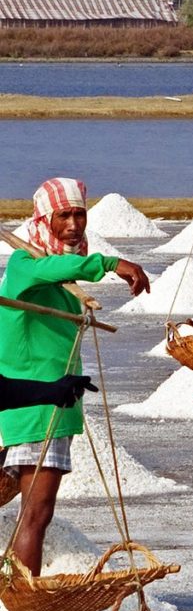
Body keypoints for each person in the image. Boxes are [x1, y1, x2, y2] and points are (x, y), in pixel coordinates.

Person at [0, 178, 150, 575]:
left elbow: (62, 268)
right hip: (33, 407)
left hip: (53, 403)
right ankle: (20, 605)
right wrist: (110, 262)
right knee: (36, 514)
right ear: (44, 220)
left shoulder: (58, 275)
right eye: (62, 215)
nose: (73, 223)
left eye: (79, 214)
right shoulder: (24, 267)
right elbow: (54, 266)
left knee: (35, 512)